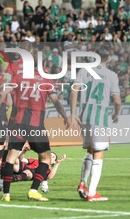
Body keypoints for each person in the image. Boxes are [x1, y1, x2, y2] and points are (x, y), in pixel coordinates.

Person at [0, 42, 69, 202]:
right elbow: (55, 100)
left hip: (16, 122)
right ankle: (33, 190)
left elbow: (4, 91)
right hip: (36, 124)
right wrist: (65, 116)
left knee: (10, 158)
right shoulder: (45, 75)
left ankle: (6, 195)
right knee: (45, 159)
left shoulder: (15, 70)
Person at [70, 44, 121, 202]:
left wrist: (73, 113)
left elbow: (74, 90)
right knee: (99, 154)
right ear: (109, 58)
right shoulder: (112, 75)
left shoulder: (84, 71)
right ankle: (92, 193)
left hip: (85, 117)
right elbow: (117, 101)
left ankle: (83, 185)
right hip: (100, 119)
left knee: (90, 151)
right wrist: (116, 113)